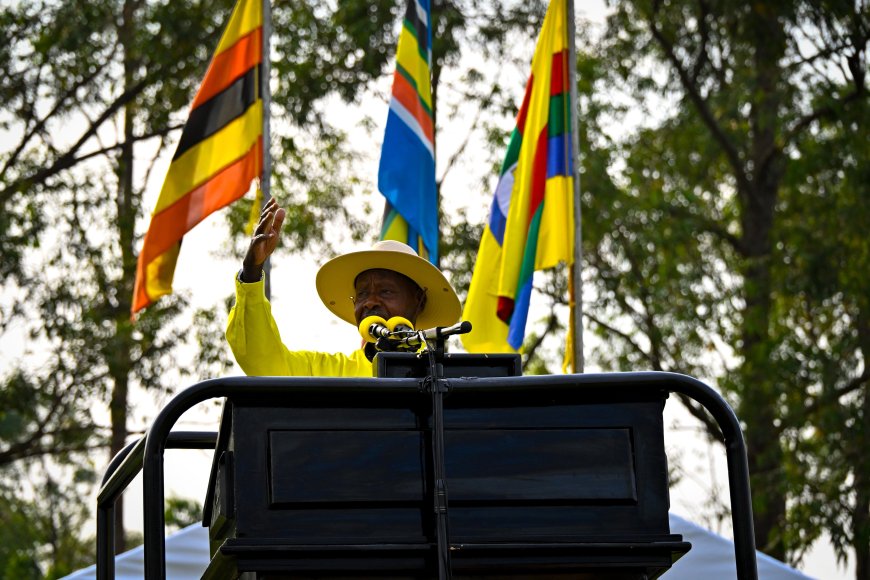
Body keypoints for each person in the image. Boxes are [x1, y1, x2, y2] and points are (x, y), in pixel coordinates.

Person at [226, 197, 461, 377]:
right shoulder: (333, 373)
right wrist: (251, 272)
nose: (370, 302)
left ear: (419, 301)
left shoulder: (448, 375)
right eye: (362, 294)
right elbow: (264, 364)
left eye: (386, 292)